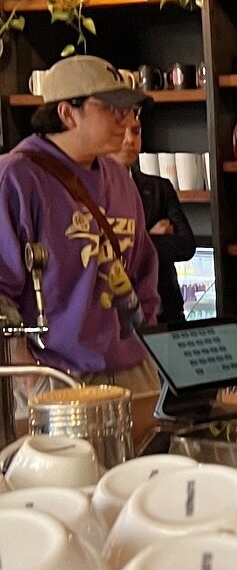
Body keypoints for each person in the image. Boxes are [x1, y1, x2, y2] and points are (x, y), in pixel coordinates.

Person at [0, 56, 160, 391]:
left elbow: (143, 269)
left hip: (134, 367)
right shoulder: (15, 179)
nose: (126, 119)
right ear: (67, 113)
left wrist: (147, 343)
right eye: (112, 107)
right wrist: (26, 371)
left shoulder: (119, 177)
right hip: (57, 373)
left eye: (130, 109)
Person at [110, 113, 197, 328]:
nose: (129, 140)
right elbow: (103, 254)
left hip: (166, 313)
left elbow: (186, 246)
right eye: (122, 131)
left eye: (136, 131)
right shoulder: (90, 192)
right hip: (113, 320)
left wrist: (131, 242)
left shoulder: (159, 188)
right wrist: (148, 237)